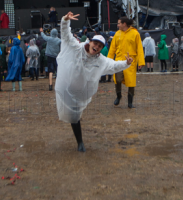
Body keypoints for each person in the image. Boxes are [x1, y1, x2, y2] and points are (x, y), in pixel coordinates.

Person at [56, 12, 134, 152]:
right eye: (95, 43)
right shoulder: (76, 48)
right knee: (73, 116)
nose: (97, 47)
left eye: (100, 46)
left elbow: (114, 65)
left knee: (75, 115)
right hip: (68, 87)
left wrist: (126, 63)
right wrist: (65, 20)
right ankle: (80, 143)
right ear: (90, 42)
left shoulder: (101, 60)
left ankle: (79, 141)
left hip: (81, 93)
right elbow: (65, 35)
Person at [108, 16, 145, 109]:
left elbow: (139, 48)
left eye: (119, 23)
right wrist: (108, 61)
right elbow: (112, 48)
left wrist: (141, 62)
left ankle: (130, 101)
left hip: (130, 62)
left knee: (131, 83)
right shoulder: (117, 34)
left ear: (124, 24)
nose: (117, 25)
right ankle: (118, 96)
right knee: (118, 80)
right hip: (119, 61)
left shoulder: (135, 33)